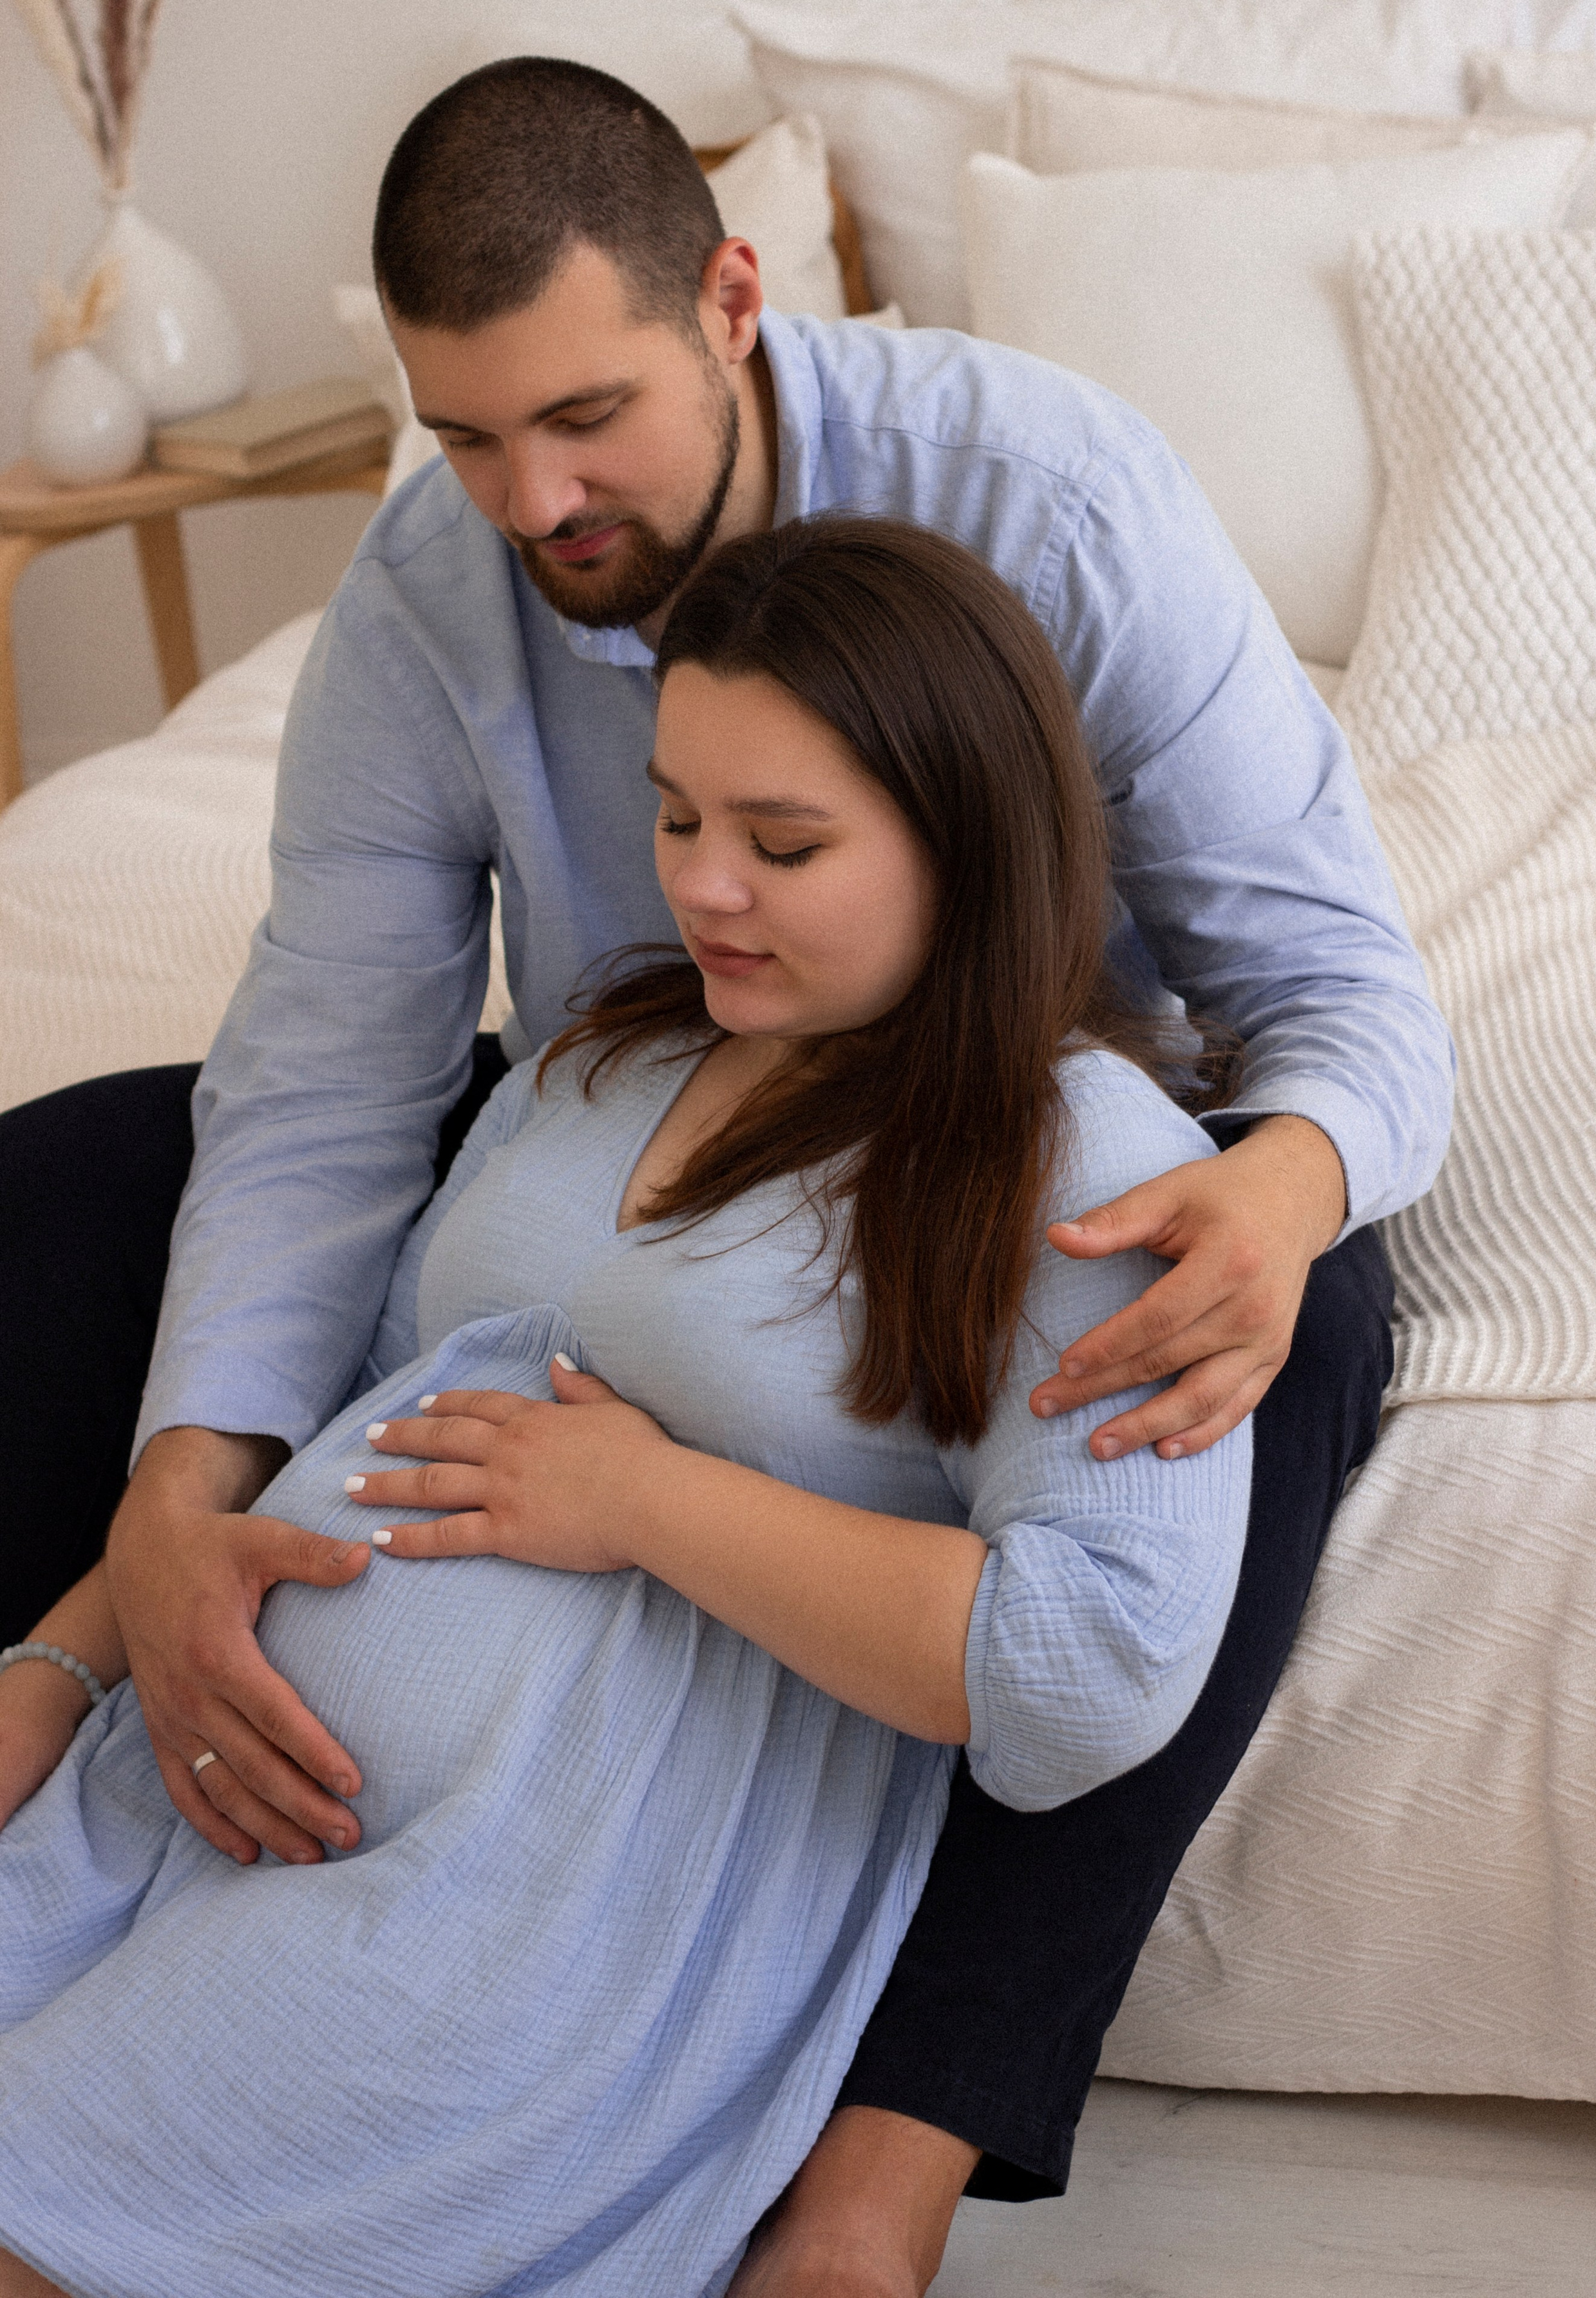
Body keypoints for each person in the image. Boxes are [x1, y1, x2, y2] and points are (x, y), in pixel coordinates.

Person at [0, 60, 1443, 2292]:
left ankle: (887, 2173)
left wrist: (1276, 1191)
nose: (531, 497)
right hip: (647, 1066)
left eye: (584, 420)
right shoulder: (435, 585)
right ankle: (82, 1703)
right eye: (464, 434)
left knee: (1290, 1314)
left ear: (733, 303)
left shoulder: (1047, 500)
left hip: (1014, 1121)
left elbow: (1346, 991)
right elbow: (328, 1082)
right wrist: (168, 1516)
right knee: (83, 1169)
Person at [0, 517, 1253, 2298]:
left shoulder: (1083, 1163)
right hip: (191, 1800)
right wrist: (69, 1659)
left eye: (785, 842)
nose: (705, 887)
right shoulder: (613, 1044)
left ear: (966, 847)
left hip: (522, 1914)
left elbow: (1090, 1669)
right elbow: (355, 1382)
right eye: (678, 817)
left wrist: (644, 1501)